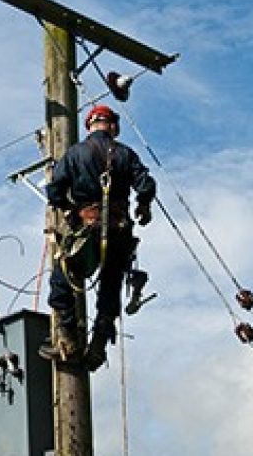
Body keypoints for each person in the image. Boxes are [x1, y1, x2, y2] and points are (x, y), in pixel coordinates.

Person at [43, 104, 155, 371]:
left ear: (90, 126)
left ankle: (68, 340)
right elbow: (146, 184)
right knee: (109, 291)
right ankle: (97, 347)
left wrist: (70, 208)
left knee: (63, 280)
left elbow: (55, 192)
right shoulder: (125, 154)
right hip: (118, 234)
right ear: (113, 126)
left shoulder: (74, 154)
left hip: (89, 231)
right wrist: (143, 206)